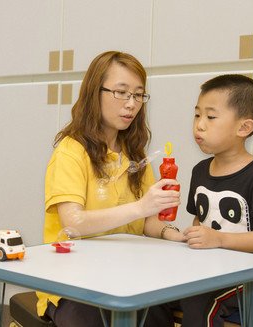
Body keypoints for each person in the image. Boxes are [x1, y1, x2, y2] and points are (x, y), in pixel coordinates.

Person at [36, 51, 184, 327]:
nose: (131, 104)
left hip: (127, 276)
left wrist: (174, 234)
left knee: (159, 314)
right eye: (121, 93)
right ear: (95, 93)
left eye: (139, 95)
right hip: (73, 282)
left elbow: (148, 224)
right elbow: (74, 222)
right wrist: (141, 207)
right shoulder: (71, 152)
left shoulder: (135, 154)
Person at [147, 74, 253, 327]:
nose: (199, 125)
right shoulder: (200, 171)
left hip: (251, 278)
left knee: (199, 303)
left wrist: (220, 239)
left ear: (244, 127)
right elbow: (200, 221)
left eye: (210, 117)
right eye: (197, 115)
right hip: (208, 271)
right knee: (153, 295)